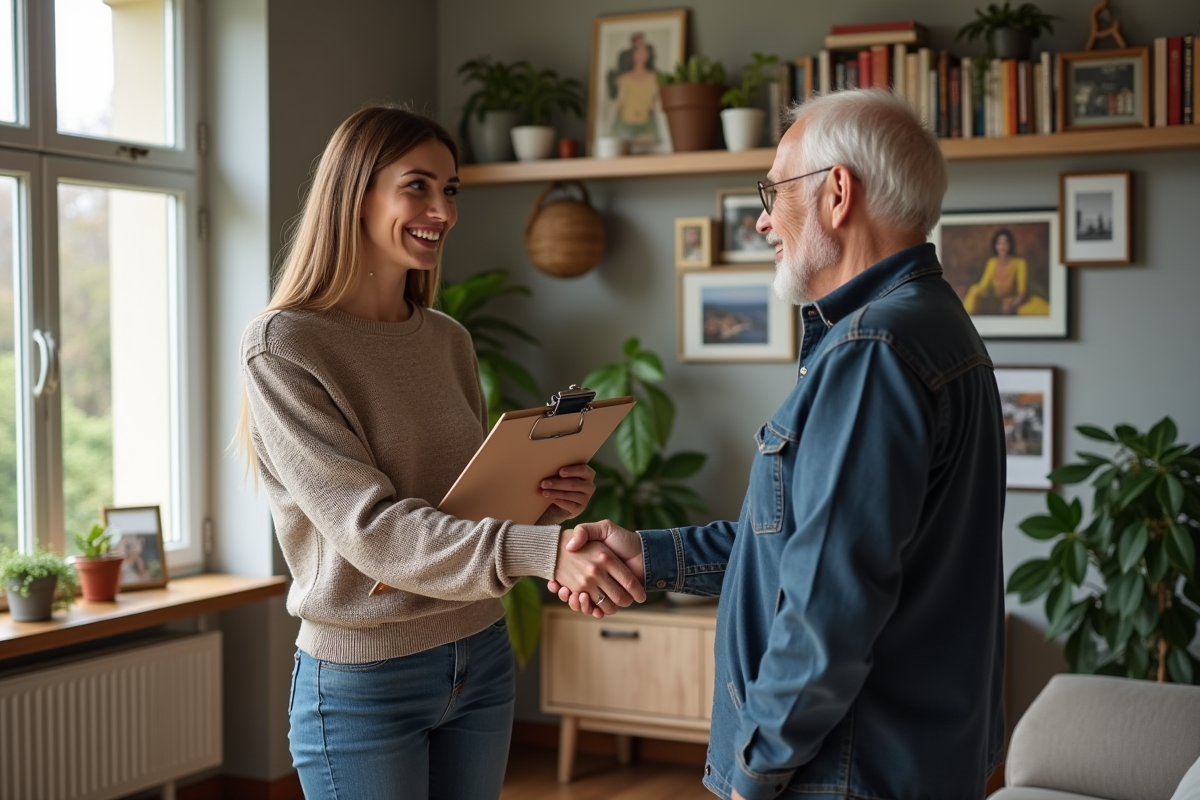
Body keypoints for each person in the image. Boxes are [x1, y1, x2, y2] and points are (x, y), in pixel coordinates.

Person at [551, 89, 1006, 800]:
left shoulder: (874, 349)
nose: (763, 219)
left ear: (837, 193)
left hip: (844, 772)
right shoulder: (932, 327)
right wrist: (652, 556)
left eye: (774, 190)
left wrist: (755, 772)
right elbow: (804, 543)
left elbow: (830, 602)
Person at [235, 105, 644, 800]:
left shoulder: (447, 339)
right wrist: (544, 552)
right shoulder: (285, 345)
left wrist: (548, 500)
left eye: (449, 189)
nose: (443, 211)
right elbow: (372, 530)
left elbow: (466, 499)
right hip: (366, 680)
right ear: (355, 193)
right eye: (417, 187)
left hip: (480, 652)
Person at [962, 228, 1048, 316]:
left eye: (1005, 243)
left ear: (1010, 245)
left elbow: (1022, 293)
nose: (1002, 247)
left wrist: (1012, 306)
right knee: (974, 290)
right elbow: (982, 287)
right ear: (995, 246)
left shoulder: (1020, 263)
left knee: (1045, 311)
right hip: (998, 303)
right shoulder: (992, 263)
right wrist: (968, 292)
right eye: (999, 243)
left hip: (1018, 303)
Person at [608, 33, 661, 146]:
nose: (642, 55)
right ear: (632, 55)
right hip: (625, 123)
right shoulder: (624, 78)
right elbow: (619, 101)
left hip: (646, 124)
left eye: (645, 51)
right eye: (638, 51)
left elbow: (656, 101)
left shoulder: (654, 77)